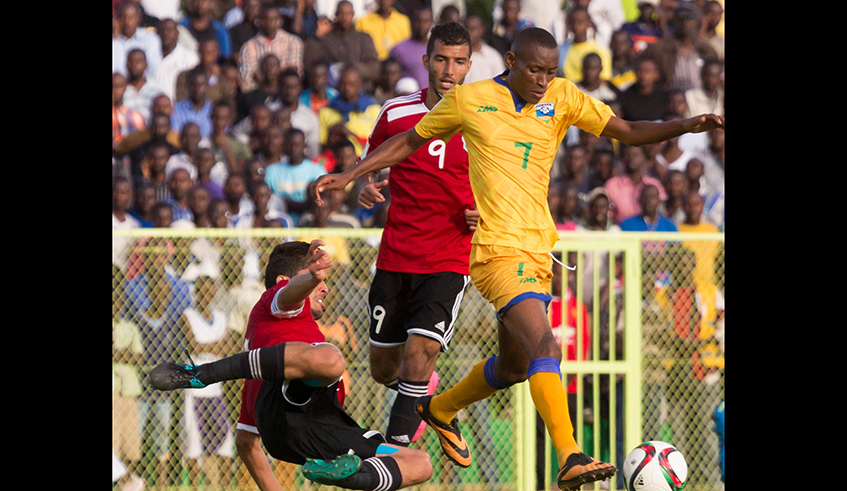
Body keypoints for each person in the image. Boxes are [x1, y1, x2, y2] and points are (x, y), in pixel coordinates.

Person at [310, 26, 723, 490]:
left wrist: (683, 126)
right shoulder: (474, 100)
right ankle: (569, 455)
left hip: (536, 250)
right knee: (545, 347)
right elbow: (409, 141)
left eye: (550, 71)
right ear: (510, 60)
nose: (544, 80)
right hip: (495, 252)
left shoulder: (563, 96)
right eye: (534, 70)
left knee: (514, 368)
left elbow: (626, 131)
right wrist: (351, 174)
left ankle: (441, 407)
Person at [148, 240, 434, 491]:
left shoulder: (299, 334)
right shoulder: (275, 304)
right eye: (317, 279)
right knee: (331, 359)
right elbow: (289, 294)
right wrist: (309, 277)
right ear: (285, 280)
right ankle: (202, 373)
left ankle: (353, 475)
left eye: (321, 278)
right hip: (286, 407)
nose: (325, 286)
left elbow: (246, 444)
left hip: (321, 432)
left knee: (419, 463)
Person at [353, 21, 477, 449]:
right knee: (383, 369)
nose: (449, 69)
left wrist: (485, 211)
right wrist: (360, 185)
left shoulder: (482, 118)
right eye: (441, 59)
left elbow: (501, 182)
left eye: (459, 62)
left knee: (421, 352)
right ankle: (429, 397)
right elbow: (369, 163)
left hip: (448, 257)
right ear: (426, 61)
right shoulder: (396, 112)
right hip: (396, 254)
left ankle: (393, 458)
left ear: (469, 66)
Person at [180, 274, 238, 489]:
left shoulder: (222, 317)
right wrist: (216, 345)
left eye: (209, 290)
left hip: (216, 389)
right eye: (202, 290)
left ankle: (223, 486)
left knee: (225, 440)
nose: (206, 294)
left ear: (214, 293)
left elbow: (230, 348)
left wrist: (206, 345)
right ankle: (196, 487)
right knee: (195, 444)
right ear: (196, 293)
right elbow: (193, 345)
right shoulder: (188, 315)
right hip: (195, 389)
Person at [640, 2, 718, 92]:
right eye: (681, 19)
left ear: (696, 22)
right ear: (674, 21)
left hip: (700, 102)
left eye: (689, 19)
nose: (685, 23)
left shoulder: (707, 51)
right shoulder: (658, 48)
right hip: (671, 101)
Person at [303, 0, 381, 88]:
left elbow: (374, 68)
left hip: (361, 89)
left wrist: (354, 67)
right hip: (331, 89)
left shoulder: (364, 39)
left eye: (348, 14)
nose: (345, 18)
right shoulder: (326, 39)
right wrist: (316, 36)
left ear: (353, 14)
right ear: (336, 14)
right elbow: (311, 64)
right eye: (341, 14)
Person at [265, 127, 327, 223]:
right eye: (290, 145)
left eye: (297, 145)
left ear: (304, 146)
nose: (293, 148)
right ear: (284, 146)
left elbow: (320, 202)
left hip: (308, 222)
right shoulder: (271, 170)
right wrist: (302, 204)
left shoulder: (317, 171)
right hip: (280, 223)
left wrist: (286, 203)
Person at [238, 2, 304, 93]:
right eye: (265, 20)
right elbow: (246, 80)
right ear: (259, 21)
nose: (270, 24)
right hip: (258, 96)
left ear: (280, 21)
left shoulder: (292, 42)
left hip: (284, 94)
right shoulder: (249, 47)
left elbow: (295, 73)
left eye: (273, 20)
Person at [317, 66, 382, 155]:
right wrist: (332, 135)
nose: (347, 88)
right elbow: (321, 149)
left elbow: (379, 148)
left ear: (359, 84)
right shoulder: (326, 111)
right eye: (343, 84)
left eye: (351, 84)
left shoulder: (374, 110)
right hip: (336, 164)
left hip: (364, 163)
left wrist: (350, 134)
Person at [605, 144, 668, 224]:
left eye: (635, 155)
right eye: (628, 155)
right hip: (621, 232)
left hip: (650, 231)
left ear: (643, 158)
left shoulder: (654, 184)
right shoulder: (612, 185)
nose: (631, 158)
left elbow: (662, 212)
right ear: (623, 159)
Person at [273, 68, 321, 160]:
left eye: (293, 87)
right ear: (279, 87)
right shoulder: (269, 111)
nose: (289, 91)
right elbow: (239, 133)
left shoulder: (310, 117)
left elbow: (314, 151)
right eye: (285, 87)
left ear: (300, 88)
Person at [558, 6, 612, 84]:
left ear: (588, 23)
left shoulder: (600, 51)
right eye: (573, 22)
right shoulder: (561, 49)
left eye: (580, 22)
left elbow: (604, 81)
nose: (576, 26)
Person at [113, 1, 163, 80]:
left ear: (138, 19)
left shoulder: (150, 39)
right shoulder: (114, 40)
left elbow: (153, 70)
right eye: (123, 18)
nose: (127, 22)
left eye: (130, 18)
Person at [155, 18, 201, 102]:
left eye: (169, 30)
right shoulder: (150, 55)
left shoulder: (189, 58)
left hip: (177, 107)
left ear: (177, 33)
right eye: (162, 30)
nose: (165, 33)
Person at [388, 7, 433, 91]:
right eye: (418, 21)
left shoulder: (437, 49)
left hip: (433, 101)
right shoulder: (398, 49)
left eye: (425, 21)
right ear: (411, 21)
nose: (421, 25)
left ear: (431, 23)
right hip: (408, 100)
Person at [617, 56, 668, 122]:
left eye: (647, 71)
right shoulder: (624, 96)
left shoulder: (665, 97)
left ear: (656, 75)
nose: (643, 75)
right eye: (640, 70)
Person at [123, 49, 167, 123]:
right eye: (131, 61)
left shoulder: (156, 89)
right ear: (126, 64)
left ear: (146, 65)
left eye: (138, 62)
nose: (134, 65)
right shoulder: (120, 89)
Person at [171, 66, 215, 138]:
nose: (197, 88)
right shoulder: (176, 110)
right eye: (193, 85)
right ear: (187, 87)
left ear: (207, 87)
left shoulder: (213, 110)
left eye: (201, 85)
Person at [463, 14, 506, 84]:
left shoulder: (492, 56)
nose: (469, 33)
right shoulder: (457, 55)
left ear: (482, 30)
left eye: (473, 29)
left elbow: (501, 83)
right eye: (467, 29)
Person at [114, 73, 148, 149]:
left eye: (119, 86)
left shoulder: (135, 116)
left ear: (125, 88)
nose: (115, 91)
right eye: (112, 86)